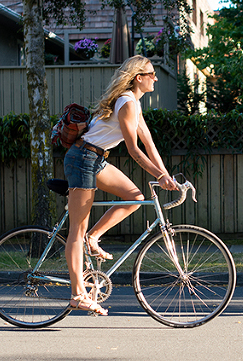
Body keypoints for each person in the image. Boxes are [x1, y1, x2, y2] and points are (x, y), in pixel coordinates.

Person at [63, 55, 178, 315]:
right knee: (76, 231)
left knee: (134, 197)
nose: (156, 78)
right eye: (151, 74)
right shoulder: (126, 103)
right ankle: (77, 294)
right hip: (83, 158)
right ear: (139, 77)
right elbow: (135, 151)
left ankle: (94, 237)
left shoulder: (133, 103)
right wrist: (159, 176)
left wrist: (166, 175)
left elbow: (150, 145)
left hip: (94, 158)